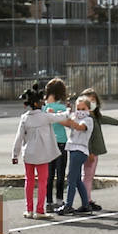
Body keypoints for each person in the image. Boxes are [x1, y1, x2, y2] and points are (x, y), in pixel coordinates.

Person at [10, 87, 66, 220]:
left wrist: (14, 154)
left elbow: (19, 137)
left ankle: (29, 209)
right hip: (42, 155)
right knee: (42, 182)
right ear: (36, 103)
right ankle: (39, 210)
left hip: (28, 154)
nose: (43, 103)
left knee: (29, 181)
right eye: (41, 101)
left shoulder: (24, 118)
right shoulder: (45, 116)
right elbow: (61, 117)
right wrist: (68, 110)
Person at [79, 87, 118, 211]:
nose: (92, 103)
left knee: (89, 176)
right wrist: (90, 152)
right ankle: (86, 201)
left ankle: (88, 199)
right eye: (89, 100)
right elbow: (87, 137)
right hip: (89, 152)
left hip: (95, 151)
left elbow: (105, 119)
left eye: (93, 100)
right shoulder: (87, 118)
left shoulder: (95, 116)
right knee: (87, 176)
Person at [59, 94, 96, 215]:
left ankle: (68, 205)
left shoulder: (88, 120)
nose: (80, 111)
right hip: (73, 149)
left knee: (71, 178)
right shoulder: (75, 117)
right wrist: (59, 117)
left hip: (80, 151)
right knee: (77, 179)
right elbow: (67, 123)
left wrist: (70, 121)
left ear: (88, 109)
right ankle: (85, 204)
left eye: (83, 109)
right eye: (78, 109)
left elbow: (80, 127)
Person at [44, 78, 70, 213]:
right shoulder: (62, 108)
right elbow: (68, 122)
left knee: (48, 174)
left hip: (48, 143)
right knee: (60, 174)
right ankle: (59, 201)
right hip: (61, 142)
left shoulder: (42, 108)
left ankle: (49, 202)